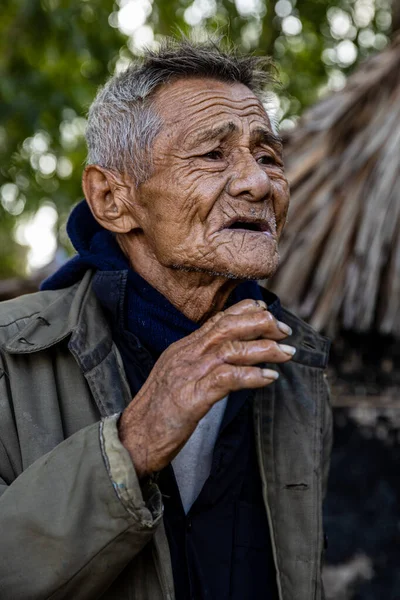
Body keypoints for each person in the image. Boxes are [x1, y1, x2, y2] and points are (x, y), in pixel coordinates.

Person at [0, 38, 332, 600]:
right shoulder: (12, 359)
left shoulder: (297, 366)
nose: (257, 183)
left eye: (268, 156)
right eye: (212, 154)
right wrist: (134, 441)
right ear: (112, 198)